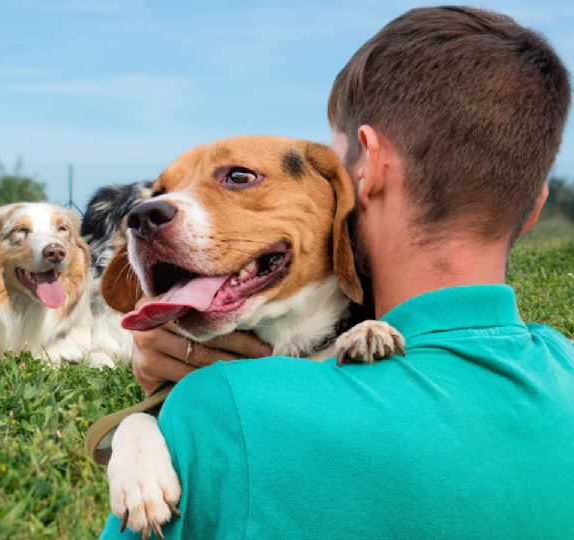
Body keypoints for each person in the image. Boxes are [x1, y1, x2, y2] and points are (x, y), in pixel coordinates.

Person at [101, 6, 573, 538]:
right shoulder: (563, 362)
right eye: (163, 192)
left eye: (237, 177)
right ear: (533, 207)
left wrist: (177, 408)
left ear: (366, 168)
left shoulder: (217, 411)